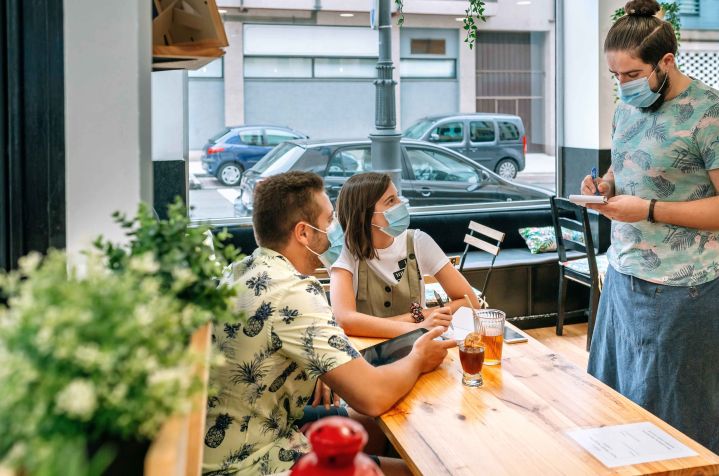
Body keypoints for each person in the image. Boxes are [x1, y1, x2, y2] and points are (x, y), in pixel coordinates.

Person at [203, 171, 456, 475]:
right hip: (250, 461)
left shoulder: (241, 270)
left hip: (228, 439)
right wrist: (417, 358)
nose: (335, 230)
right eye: (328, 221)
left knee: (366, 425)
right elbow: (373, 397)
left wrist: (317, 368)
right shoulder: (293, 293)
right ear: (303, 233)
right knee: (415, 469)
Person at [581, 0, 719, 453]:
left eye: (632, 75)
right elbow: (625, 168)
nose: (623, 86)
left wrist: (650, 210)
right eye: (615, 77)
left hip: (684, 289)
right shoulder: (628, 109)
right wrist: (603, 184)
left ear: (666, 61)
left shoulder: (707, 114)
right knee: (615, 407)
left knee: (676, 424)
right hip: (622, 276)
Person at [330, 172, 481, 338]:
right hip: (367, 354)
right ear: (364, 215)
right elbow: (345, 321)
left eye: (397, 197)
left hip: (419, 348)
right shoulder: (345, 251)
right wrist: (417, 320)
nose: (401, 204)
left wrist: (422, 321)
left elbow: (471, 302)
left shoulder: (418, 241)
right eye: (391, 201)